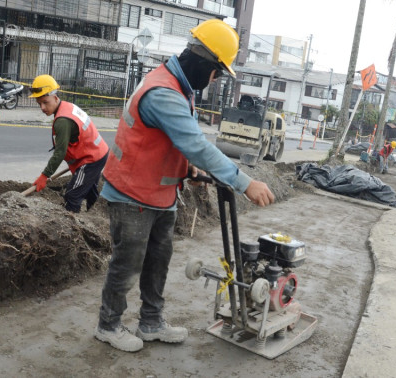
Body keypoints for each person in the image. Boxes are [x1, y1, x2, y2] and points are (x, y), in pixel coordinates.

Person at [94, 19, 275, 353]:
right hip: (132, 194)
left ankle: (151, 322)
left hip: (160, 194)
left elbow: (174, 141)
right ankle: (109, 325)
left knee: (158, 261)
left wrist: (187, 167)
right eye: (217, 72)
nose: (215, 80)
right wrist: (244, 182)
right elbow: (197, 145)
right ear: (204, 63)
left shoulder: (178, 86)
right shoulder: (163, 91)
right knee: (128, 263)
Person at [28, 74, 109, 212]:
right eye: (39, 103)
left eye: (45, 102)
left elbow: (60, 152)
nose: (42, 107)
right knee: (89, 189)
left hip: (91, 159)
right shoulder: (66, 107)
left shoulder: (62, 121)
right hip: (99, 152)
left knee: (72, 194)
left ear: (55, 97)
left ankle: (72, 223)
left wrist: (44, 175)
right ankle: (94, 214)